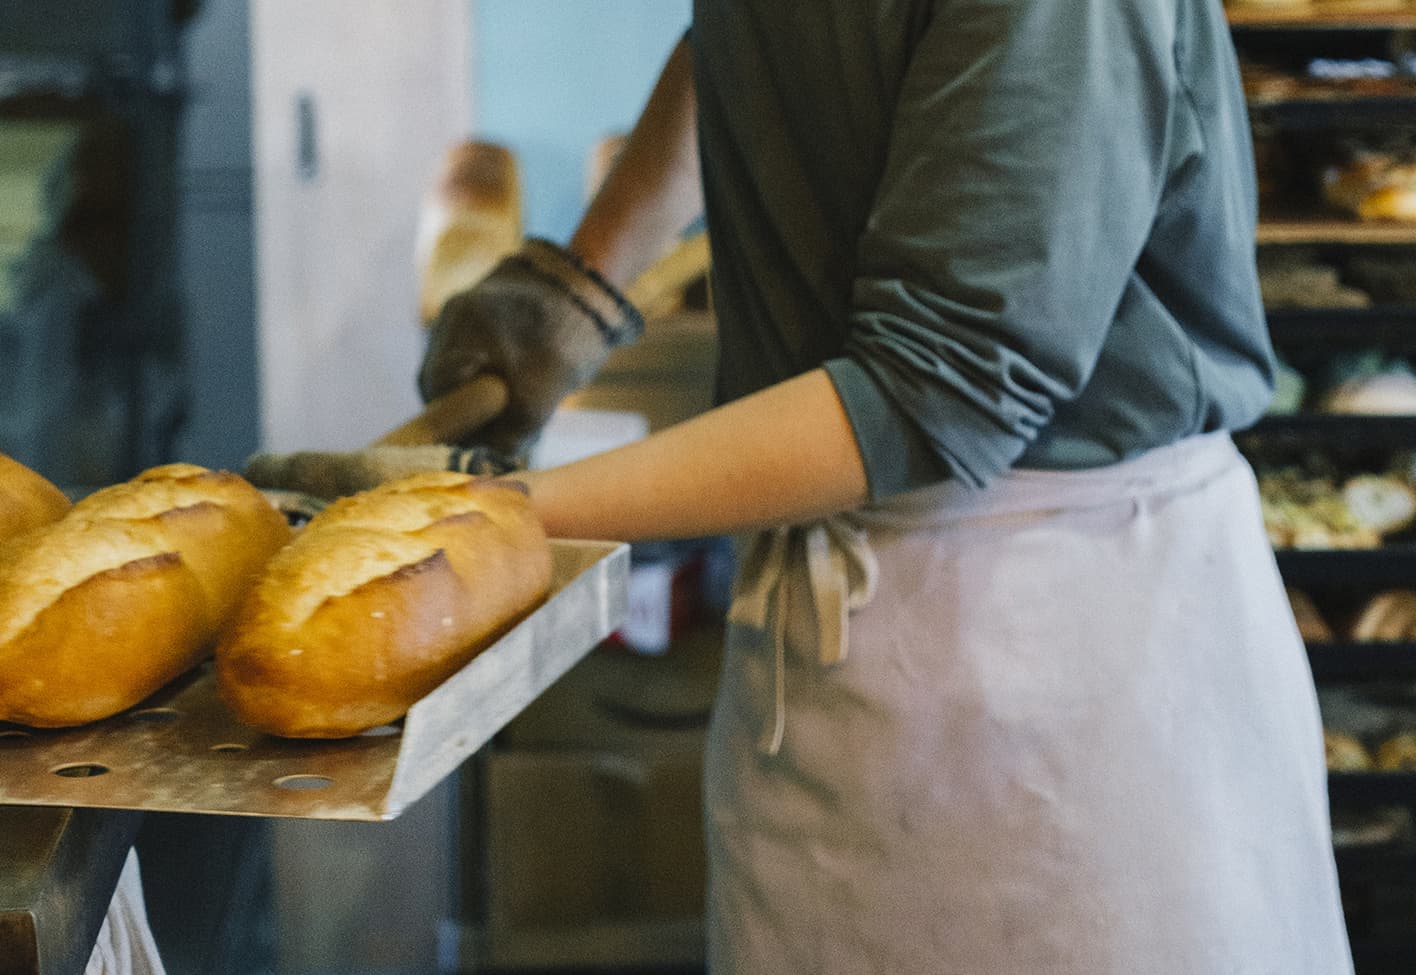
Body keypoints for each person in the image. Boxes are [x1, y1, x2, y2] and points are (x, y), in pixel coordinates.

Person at [419, 2, 1355, 971]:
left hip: (1056, 640)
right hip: (831, 647)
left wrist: (495, 518)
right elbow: (743, 40)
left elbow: (942, 383)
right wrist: (582, 282)